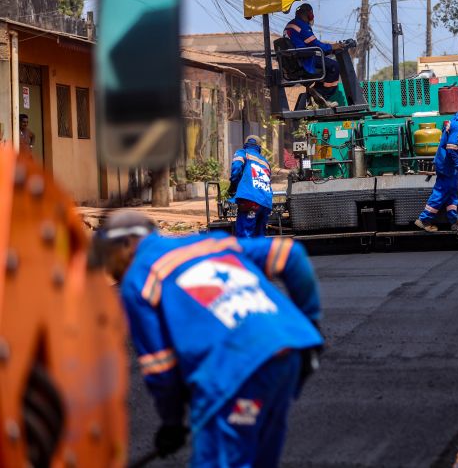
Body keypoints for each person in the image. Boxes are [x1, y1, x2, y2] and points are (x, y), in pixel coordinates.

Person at [99, 210, 323, 467]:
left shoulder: (138, 279)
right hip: (289, 353)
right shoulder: (212, 242)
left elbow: (160, 366)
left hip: (235, 371)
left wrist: (172, 422)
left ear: (125, 244)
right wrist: (311, 322)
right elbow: (290, 255)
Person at [415, 108, 458, 232]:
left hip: (450, 165)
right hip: (447, 165)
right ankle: (424, 219)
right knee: (441, 192)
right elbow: (451, 148)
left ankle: (454, 221)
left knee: (452, 192)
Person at [284, 3, 343, 106]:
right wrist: (333, 46)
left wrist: (327, 50)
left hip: (294, 61)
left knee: (325, 63)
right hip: (304, 60)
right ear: (309, 14)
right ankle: (321, 93)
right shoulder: (301, 26)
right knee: (334, 66)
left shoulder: (290, 25)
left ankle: (316, 93)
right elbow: (316, 44)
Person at [230, 135, 273, 238]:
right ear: (259, 148)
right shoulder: (265, 162)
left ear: (245, 145)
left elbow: (236, 168)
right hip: (265, 203)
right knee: (259, 236)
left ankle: (245, 253)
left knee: (245, 234)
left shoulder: (242, 153)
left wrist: (233, 186)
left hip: (250, 201)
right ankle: (259, 253)